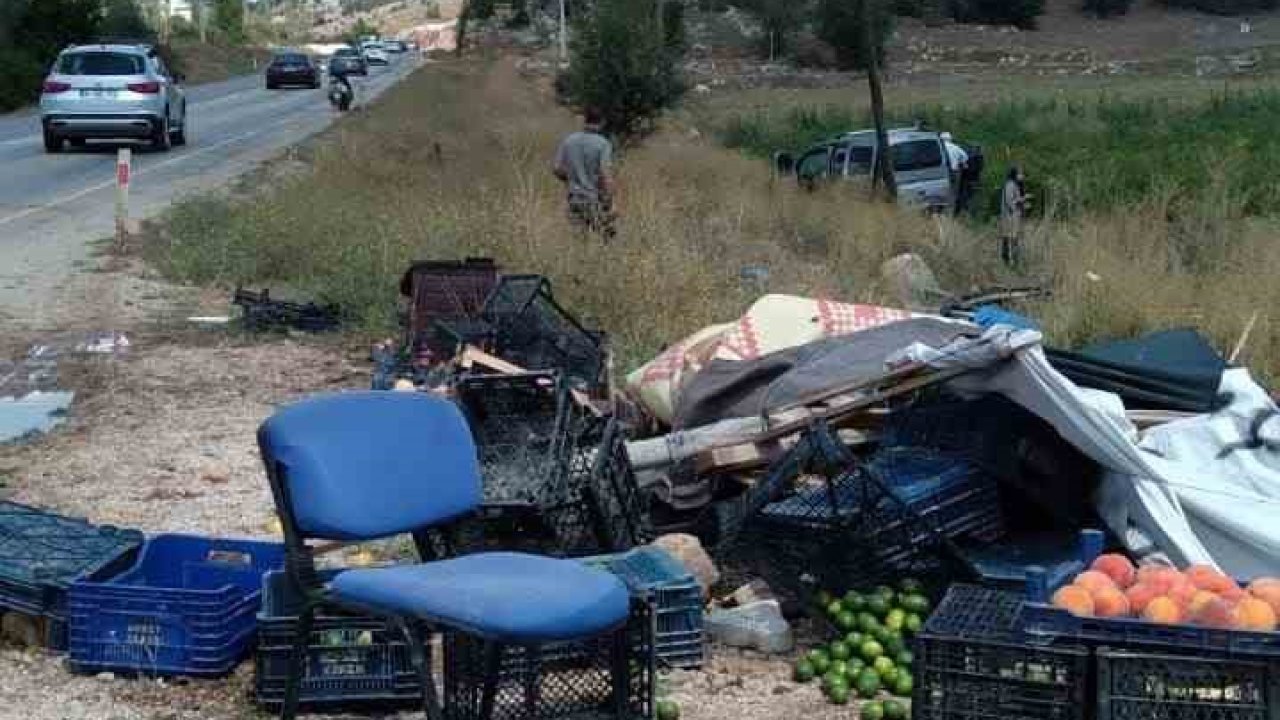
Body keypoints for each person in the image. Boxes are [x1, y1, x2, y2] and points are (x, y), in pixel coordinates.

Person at [553, 107, 616, 240]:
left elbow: (557, 169)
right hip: (594, 198)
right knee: (606, 238)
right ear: (602, 122)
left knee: (579, 240)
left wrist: (570, 180)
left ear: (585, 120)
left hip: (574, 198)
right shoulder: (603, 144)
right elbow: (605, 175)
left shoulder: (569, 140)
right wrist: (608, 199)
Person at [999, 165, 1030, 267]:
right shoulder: (1010, 185)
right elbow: (1009, 201)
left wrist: (1023, 203)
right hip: (1010, 215)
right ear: (1015, 174)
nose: (1022, 176)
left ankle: (1012, 260)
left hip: (1013, 214)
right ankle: (1009, 260)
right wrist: (1022, 199)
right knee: (1011, 237)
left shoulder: (1016, 184)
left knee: (1013, 237)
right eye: (1020, 174)